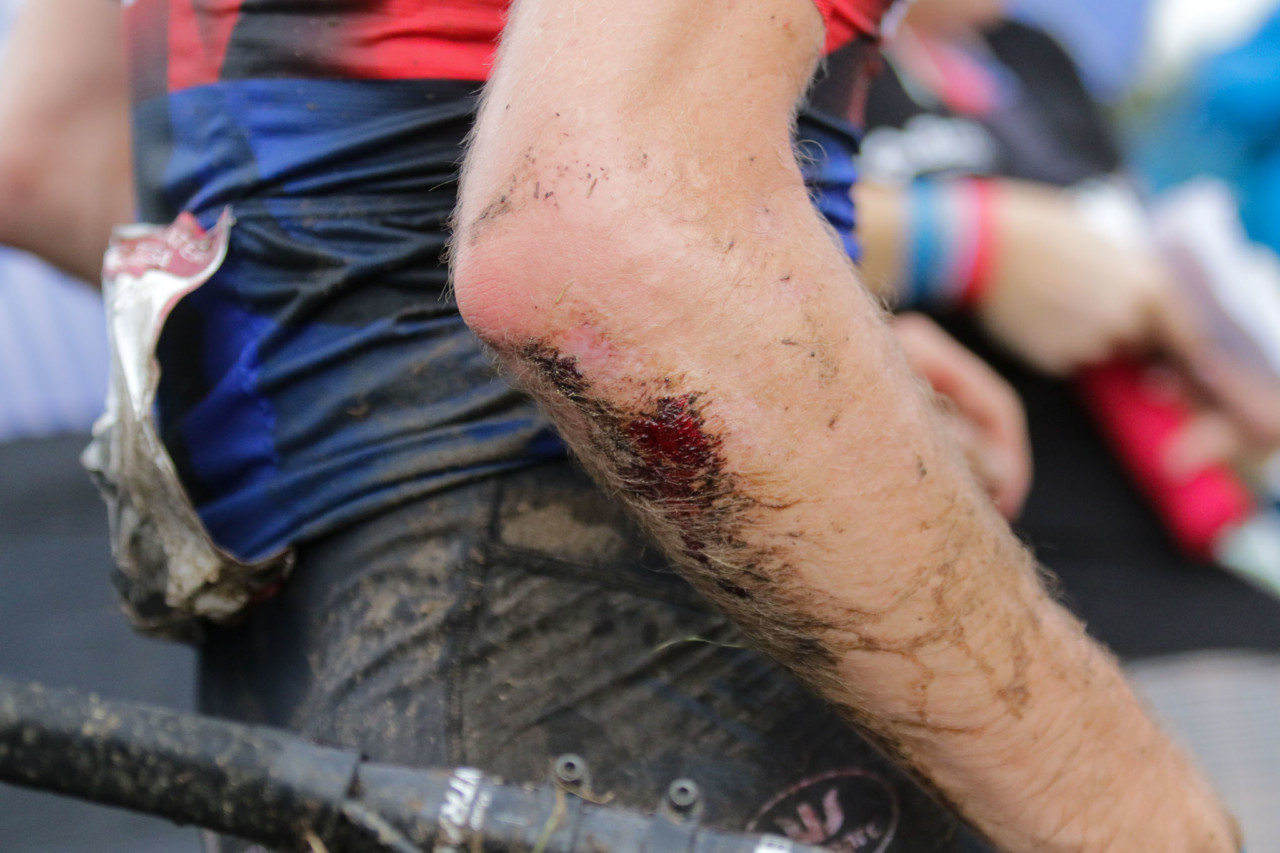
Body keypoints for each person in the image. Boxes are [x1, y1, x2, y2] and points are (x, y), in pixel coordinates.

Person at [0, 0, 1239, 851]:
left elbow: (46, 150)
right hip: (639, 672)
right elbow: (606, 254)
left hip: (318, 702)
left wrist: (780, 357)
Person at [846, 0, 1280, 658]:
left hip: (1179, 538)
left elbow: (1124, 235)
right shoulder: (791, 49)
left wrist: (1220, 373)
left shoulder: (1028, 54)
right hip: (1004, 566)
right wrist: (970, 241)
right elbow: (699, 222)